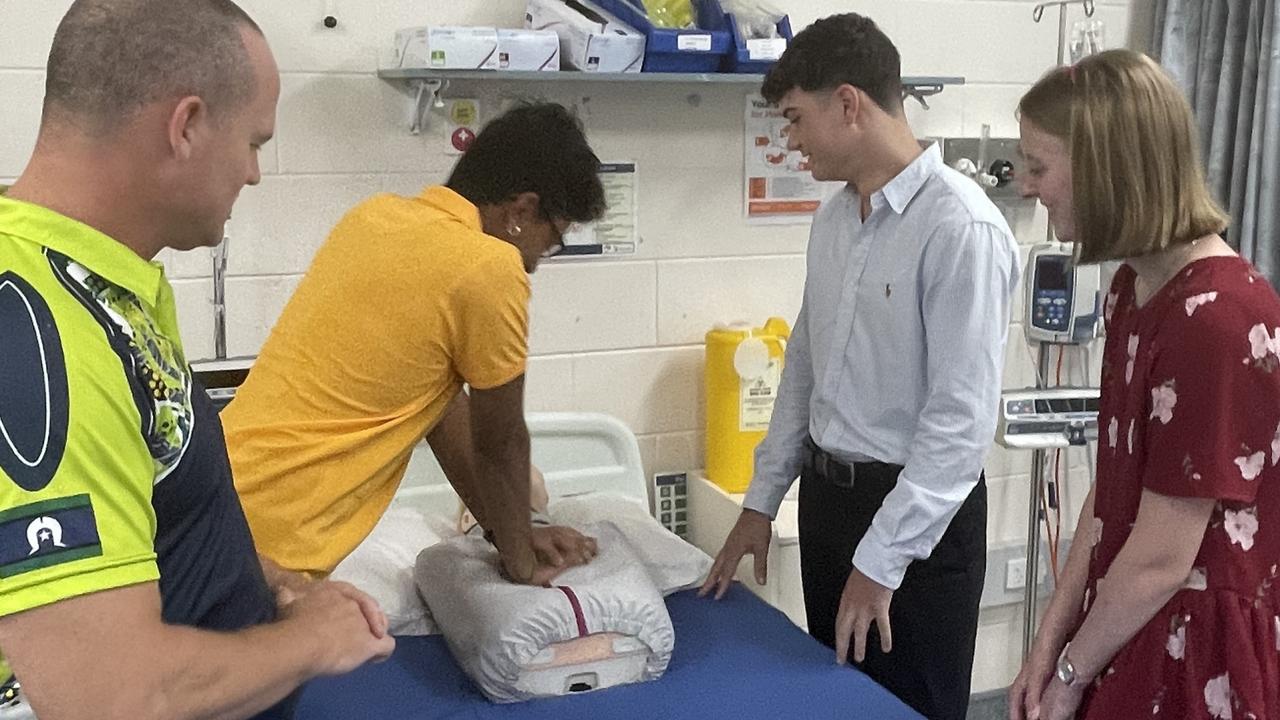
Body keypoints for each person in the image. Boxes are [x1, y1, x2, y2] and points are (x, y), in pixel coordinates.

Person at [0, 2, 396, 719]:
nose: (253, 174)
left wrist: (266, 579)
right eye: (252, 143)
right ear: (185, 127)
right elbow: (106, 696)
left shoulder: (101, 284)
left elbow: (145, 506)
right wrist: (313, 641)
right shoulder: (37, 329)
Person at [699, 13, 1021, 720]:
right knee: (839, 703)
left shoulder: (960, 229)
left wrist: (882, 562)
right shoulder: (835, 220)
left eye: (795, 119)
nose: (789, 140)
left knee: (910, 707)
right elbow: (805, 370)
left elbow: (958, 427)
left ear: (848, 104)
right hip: (831, 506)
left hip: (921, 523)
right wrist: (762, 497)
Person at [221, 103, 606, 587]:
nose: (535, 263)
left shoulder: (374, 217)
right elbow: (500, 441)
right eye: (550, 241)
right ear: (522, 210)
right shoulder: (489, 266)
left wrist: (513, 533)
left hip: (214, 495)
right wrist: (524, 568)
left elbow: (438, 410)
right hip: (274, 539)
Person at [1009, 49, 1280, 720]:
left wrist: (1072, 674)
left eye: (1040, 168)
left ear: (1106, 172)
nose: (1027, 186)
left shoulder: (1220, 319)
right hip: (1125, 622)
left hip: (1195, 649)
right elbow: (1113, 486)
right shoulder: (1134, 288)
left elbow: (1163, 557)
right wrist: (1052, 641)